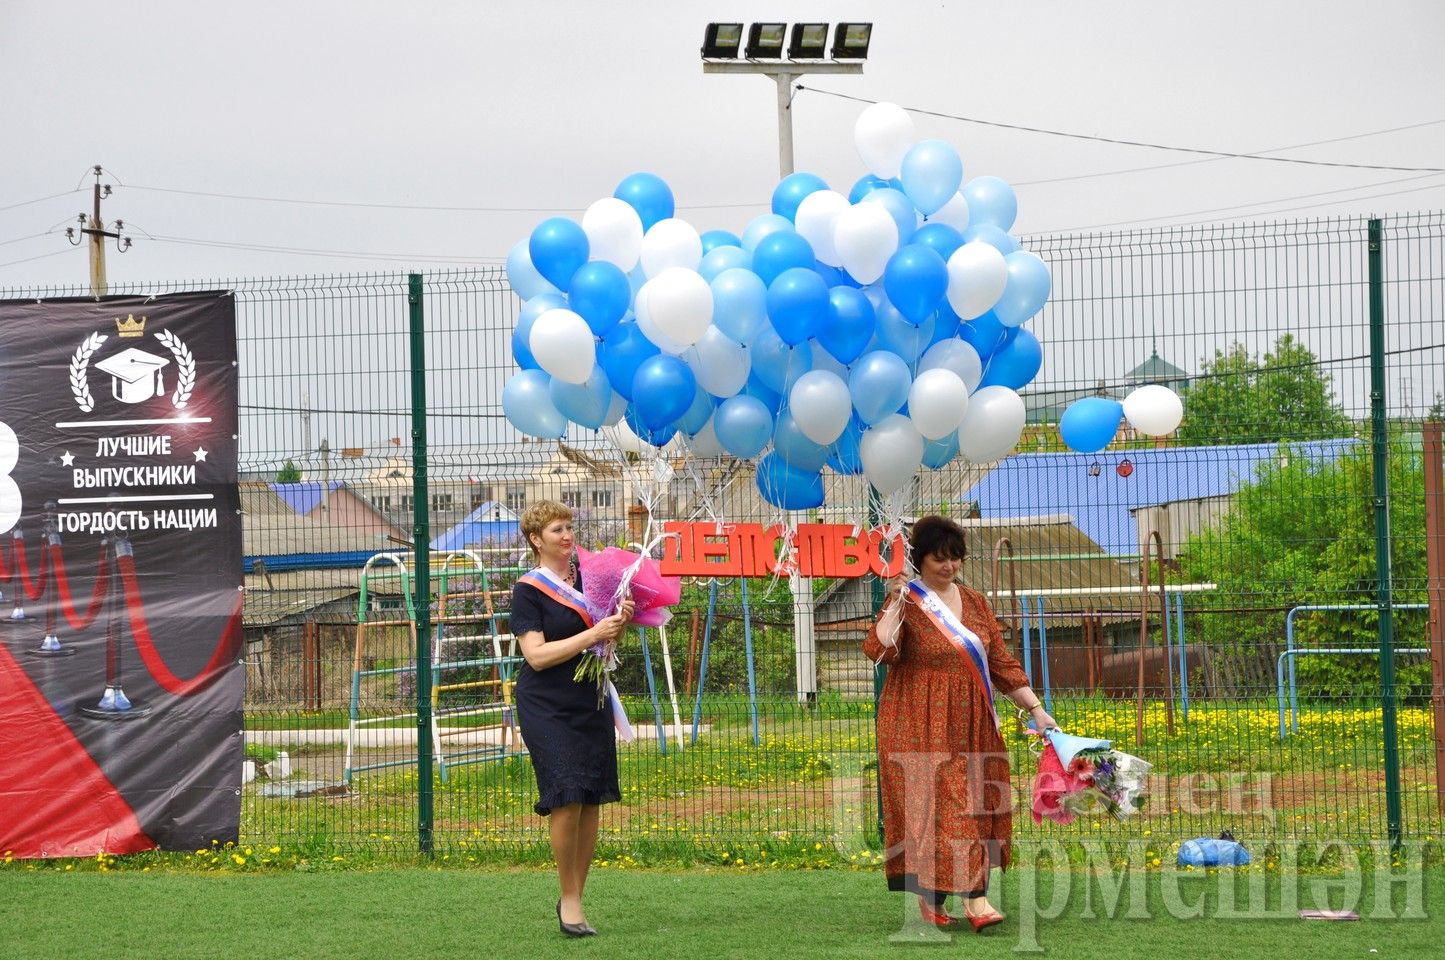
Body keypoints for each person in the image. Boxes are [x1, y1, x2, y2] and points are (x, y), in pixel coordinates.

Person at [864, 515, 1057, 933]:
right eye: (939, 559)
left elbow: (1001, 663)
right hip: (917, 722)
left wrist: (1036, 709)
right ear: (920, 559)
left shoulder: (975, 602)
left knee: (974, 800)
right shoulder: (908, 600)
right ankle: (974, 902)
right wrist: (895, 600)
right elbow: (879, 649)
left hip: (972, 722)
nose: (949, 567)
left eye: (955, 558)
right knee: (938, 807)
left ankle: (941, 897)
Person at [511, 500, 634, 938]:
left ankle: (574, 898)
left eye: (569, 527)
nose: (567, 535)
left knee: (590, 797)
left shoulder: (593, 578)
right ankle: (570, 900)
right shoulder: (528, 590)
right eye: (557, 529)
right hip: (546, 703)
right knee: (565, 794)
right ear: (535, 539)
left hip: (590, 697)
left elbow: (602, 642)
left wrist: (619, 624)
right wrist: (593, 633)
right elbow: (537, 656)